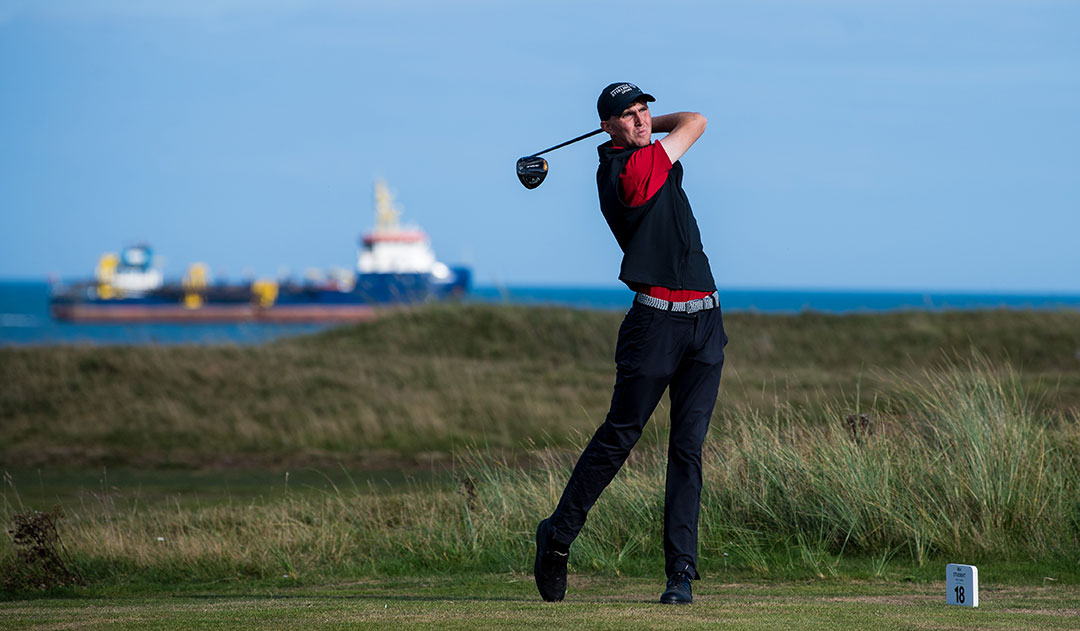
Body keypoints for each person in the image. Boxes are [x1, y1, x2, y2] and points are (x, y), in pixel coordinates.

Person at [534, 82, 728, 605]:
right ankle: (556, 536)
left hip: (705, 319)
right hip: (655, 324)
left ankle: (680, 574)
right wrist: (651, 130)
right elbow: (696, 121)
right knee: (619, 439)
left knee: (687, 449)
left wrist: (644, 123)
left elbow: (686, 117)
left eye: (644, 111)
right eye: (628, 115)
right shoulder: (627, 172)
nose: (642, 120)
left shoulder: (645, 150)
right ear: (608, 127)